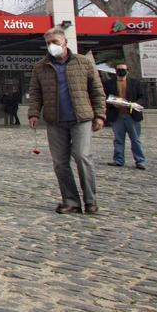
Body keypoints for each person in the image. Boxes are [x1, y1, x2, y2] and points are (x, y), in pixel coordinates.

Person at [28, 28, 107, 215]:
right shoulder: (41, 67)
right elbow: (35, 93)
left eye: (55, 41)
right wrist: (33, 113)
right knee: (60, 162)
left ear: (65, 42)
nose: (51, 46)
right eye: (48, 43)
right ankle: (70, 200)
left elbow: (97, 91)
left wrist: (100, 115)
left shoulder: (83, 63)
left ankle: (90, 200)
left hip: (81, 118)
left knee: (81, 156)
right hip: (55, 120)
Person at [105, 62, 147, 169]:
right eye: (119, 69)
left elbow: (143, 97)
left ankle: (140, 161)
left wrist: (135, 103)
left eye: (123, 69)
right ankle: (118, 159)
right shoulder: (109, 83)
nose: (121, 71)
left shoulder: (135, 83)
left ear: (127, 71)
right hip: (117, 114)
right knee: (118, 139)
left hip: (132, 115)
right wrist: (111, 103)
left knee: (135, 139)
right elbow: (104, 97)